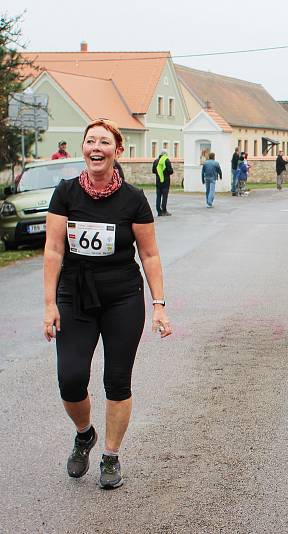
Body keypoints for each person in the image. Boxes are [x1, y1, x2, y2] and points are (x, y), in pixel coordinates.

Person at [42, 118, 172, 490]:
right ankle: (85, 434)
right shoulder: (66, 193)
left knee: (116, 380)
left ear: (117, 151)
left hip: (122, 297)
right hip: (75, 295)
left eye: (103, 142)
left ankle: (111, 456)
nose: (95, 148)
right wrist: (49, 304)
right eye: (90, 141)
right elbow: (53, 250)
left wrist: (158, 304)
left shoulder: (133, 199)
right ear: (83, 148)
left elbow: (149, 255)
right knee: (70, 379)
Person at [152, 150, 173, 216]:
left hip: (158, 181)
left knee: (158, 196)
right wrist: (166, 173)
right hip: (165, 182)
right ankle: (164, 211)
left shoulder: (156, 161)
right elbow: (170, 171)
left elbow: (153, 171)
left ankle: (159, 211)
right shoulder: (167, 161)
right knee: (164, 196)